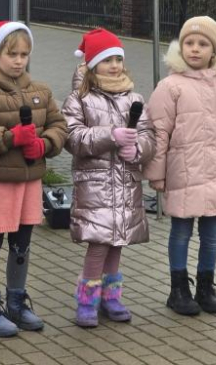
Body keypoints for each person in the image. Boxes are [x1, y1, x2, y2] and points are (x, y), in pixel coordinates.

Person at [0, 21, 68, 337]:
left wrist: (44, 143)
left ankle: (17, 302)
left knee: (22, 242)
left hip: (29, 180)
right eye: (12, 54)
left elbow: (59, 126)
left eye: (24, 54)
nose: (19, 60)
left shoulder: (41, 91)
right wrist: (9, 137)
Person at [144, 16, 216, 316]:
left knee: (213, 233)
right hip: (183, 174)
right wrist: (156, 174)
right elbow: (158, 132)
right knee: (181, 231)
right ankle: (178, 287)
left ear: (213, 50)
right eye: (189, 43)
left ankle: (206, 285)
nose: (195, 49)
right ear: (180, 48)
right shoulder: (170, 86)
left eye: (203, 44)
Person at [61, 28, 156, 327]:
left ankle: (111, 297)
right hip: (95, 186)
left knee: (117, 241)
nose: (114, 65)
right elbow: (73, 138)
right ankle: (87, 301)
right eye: (107, 60)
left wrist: (138, 150)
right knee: (98, 243)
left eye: (118, 59)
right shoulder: (79, 99)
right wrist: (110, 136)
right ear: (92, 64)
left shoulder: (135, 98)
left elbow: (148, 135)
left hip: (125, 184)